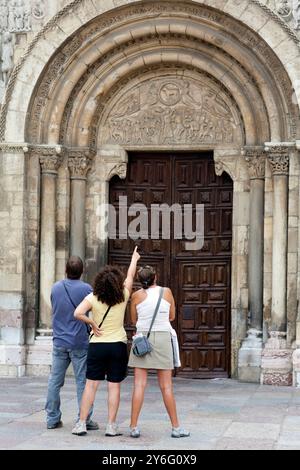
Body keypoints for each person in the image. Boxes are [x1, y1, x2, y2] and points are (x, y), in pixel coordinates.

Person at [72, 246, 140, 437]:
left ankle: (81, 423)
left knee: (91, 385)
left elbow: (77, 313)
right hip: (117, 345)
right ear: (117, 282)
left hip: (97, 345)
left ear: (100, 282)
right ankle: (111, 426)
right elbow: (130, 277)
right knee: (114, 386)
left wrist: (92, 322)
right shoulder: (124, 295)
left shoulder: (92, 297)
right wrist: (134, 259)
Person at [128, 266, 190, 439]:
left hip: (142, 339)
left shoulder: (136, 296)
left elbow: (134, 320)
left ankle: (133, 427)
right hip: (163, 338)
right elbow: (172, 316)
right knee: (166, 386)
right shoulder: (167, 292)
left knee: (139, 385)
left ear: (140, 280)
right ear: (155, 277)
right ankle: (176, 427)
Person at [45, 256, 98, 431]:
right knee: (82, 382)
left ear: (66, 270)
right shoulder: (87, 289)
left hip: (59, 340)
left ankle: (52, 418)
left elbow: (55, 308)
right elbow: (91, 310)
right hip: (79, 342)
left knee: (54, 381)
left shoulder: (56, 287)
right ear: (82, 271)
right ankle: (84, 419)